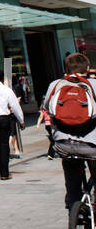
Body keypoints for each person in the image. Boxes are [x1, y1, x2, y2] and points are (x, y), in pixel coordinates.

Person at [41, 52, 96, 207]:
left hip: (63, 144)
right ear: (88, 68)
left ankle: (73, 208)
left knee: (72, 177)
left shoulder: (56, 84)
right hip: (91, 146)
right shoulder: (93, 84)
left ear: (67, 68)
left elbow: (46, 108)